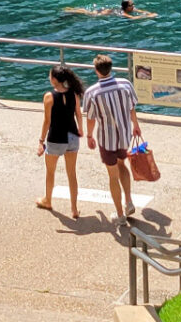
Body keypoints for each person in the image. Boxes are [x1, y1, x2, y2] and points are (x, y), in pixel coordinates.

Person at [81, 54, 142, 223]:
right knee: (123, 164)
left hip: (106, 139)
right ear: (111, 68)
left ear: (96, 70)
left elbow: (91, 118)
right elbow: (131, 108)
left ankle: (120, 215)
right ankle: (128, 201)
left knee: (112, 175)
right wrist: (136, 125)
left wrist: (89, 135)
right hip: (124, 134)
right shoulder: (125, 84)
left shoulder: (92, 92)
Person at [36, 65, 86, 215]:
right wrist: (81, 129)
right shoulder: (74, 94)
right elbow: (78, 113)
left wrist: (41, 141)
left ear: (55, 80)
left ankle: (48, 200)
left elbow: (47, 121)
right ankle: (74, 208)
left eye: (50, 76)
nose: (49, 78)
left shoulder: (49, 96)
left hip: (56, 138)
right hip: (72, 136)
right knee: (72, 173)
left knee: (50, 172)